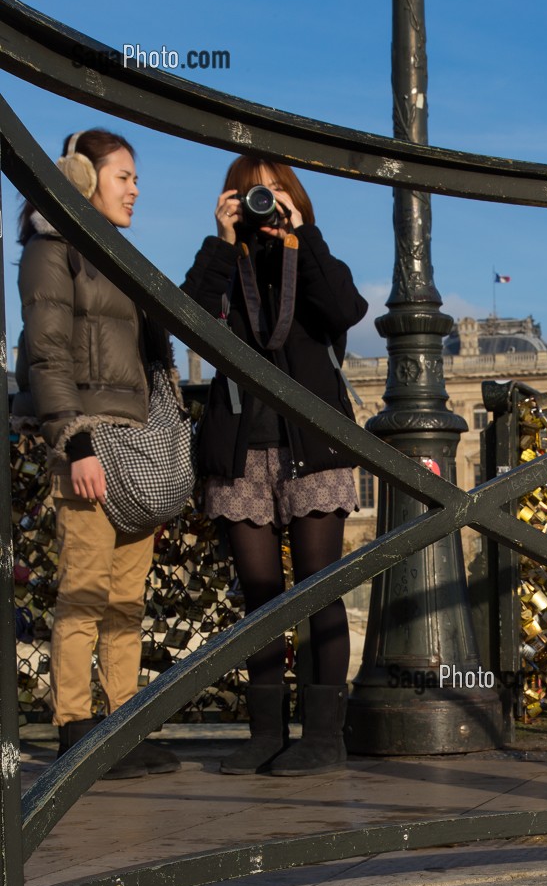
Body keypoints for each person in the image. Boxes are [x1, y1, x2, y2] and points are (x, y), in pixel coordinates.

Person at [182, 157, 367, 775]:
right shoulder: (227, 262)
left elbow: (343, 309)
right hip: (241, 447)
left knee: (320, 589)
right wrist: (221, 239)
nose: (266, 200)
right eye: (253, 191)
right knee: (258, 597)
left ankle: (322, 735)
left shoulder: (310, 257)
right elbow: (186, 316)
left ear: (294, 196)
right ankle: (265, 732)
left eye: (276, 188)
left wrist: (298, 235)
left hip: (312, 443)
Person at [13, 129, 180, 779]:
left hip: (136, 449)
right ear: (82, 178)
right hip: (86, 444)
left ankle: (123, 727)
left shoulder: (118, 257)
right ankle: (76, 729)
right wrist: (74, 442)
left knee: (126, 602)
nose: (136, 188)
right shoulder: (50, 251)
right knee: (83, 595)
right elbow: (47, 353)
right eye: (124, 176)